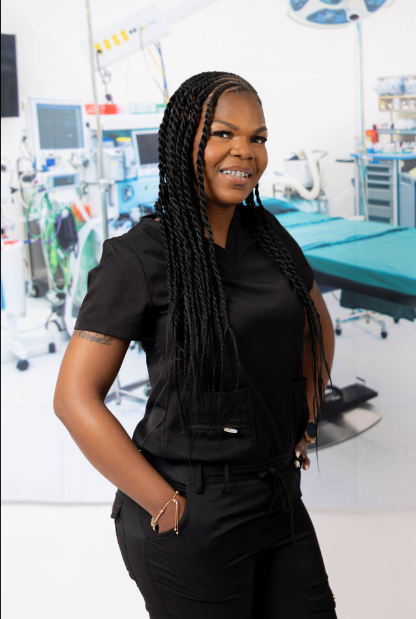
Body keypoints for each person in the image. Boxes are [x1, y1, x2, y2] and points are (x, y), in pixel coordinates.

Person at [54, 71, 337, 619]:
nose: (244, 152)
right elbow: (73, 397)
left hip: (277, 495)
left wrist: (304, 417)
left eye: (258, 138)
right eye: (223, 134)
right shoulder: (139, 257)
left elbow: (317, 327)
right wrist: (165, 505)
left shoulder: (270, 237)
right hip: (190, 508)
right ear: (185, 140)